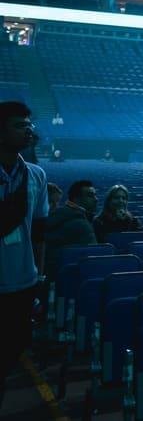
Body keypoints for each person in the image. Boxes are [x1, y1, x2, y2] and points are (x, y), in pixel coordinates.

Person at [0, 101, 48, 408]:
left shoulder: (37, 175)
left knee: (8, 357)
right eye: (20, 125)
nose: (29, 129)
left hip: (21, 283)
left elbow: (39, 233)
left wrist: (39, 275)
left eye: (29, 124)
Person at [43, 180, 98, 280]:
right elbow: (94, 260)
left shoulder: (58, 216)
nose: (96, 199)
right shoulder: (82, 225)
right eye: (90, 196)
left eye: (95, 195)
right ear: (76, 199)